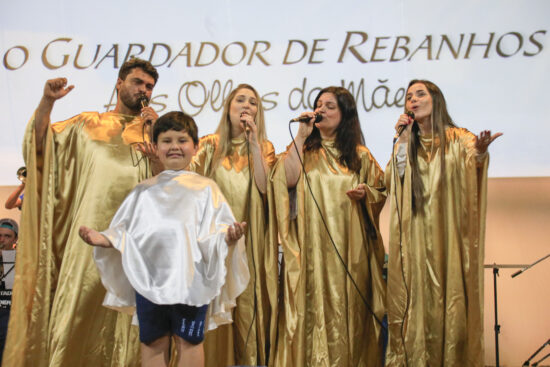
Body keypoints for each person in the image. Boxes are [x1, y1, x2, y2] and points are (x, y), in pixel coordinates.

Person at [4, 58, 160, 367]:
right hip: (86, 239)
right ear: (119, 83)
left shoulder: (155, 132)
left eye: (150, 86)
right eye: (138, 82)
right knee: (79, 312)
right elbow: (41, 146)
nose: (144, 90)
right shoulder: (87, 124)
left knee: (131, 320)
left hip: (135, 243)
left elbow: (176, 179)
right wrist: (47, 103)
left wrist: (157, 133)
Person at [79, 111, 250, 367]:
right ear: (156, 148)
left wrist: (227, 237)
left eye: (181, 140)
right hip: (150, 279)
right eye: (167, 141)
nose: (174, 147)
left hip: (192, 280)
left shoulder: (206, 189)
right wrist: (106, 239)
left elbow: (216, 231)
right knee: (153, 341)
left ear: (195, 146)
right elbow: (127, 230)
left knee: (189, 341)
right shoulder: (144, 190)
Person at [385, 80, 502, 367]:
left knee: (451, 305)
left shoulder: (457, 137)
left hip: (448, 239)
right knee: (414, 307)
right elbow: (393, 181)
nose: (413, 100)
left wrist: (481, 152)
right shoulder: (406, 141)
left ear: (436, 99)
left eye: (420, 94)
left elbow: (472, 158)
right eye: (409, 96)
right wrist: (401, 139)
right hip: (413, 241)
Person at [270, 86, 387, 366]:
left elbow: (380, 189)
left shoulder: (360, 155)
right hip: (310, 250)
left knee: (348, 314)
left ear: (345, 114)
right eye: (318, 104)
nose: (321, 110)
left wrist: (366, 194)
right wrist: (300, 136)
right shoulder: (303, 149)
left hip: (350, 250)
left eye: (330, 106)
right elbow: (285, 180)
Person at [189, 84, 277, 367]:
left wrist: (253, 143)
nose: (247, 106)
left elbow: (266, 188)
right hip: (215, 243)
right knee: (215, 307)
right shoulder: (209, 145)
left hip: (251, 241)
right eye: (240, 100)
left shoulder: (264, 148)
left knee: (248, 305)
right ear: (228, 108)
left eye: (253, 102)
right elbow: (189, 186)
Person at [0, 218, 18, 365]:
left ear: (15, 239)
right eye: (0, 235)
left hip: (8, 314)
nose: (2, 240)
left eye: (7, 236)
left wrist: (7, 256)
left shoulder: (19, 258)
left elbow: (10, 285)